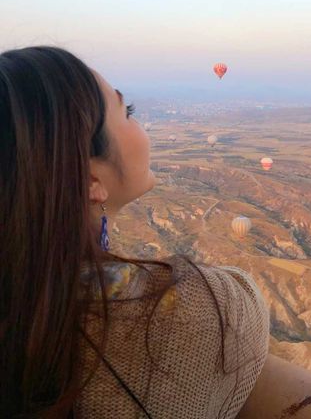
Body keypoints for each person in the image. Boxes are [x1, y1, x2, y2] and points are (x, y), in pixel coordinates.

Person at [0, 46, 269, 418]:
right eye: (127, 112)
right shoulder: (184, 312)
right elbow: (244, 308)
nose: (138, 124)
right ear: (90, 177)